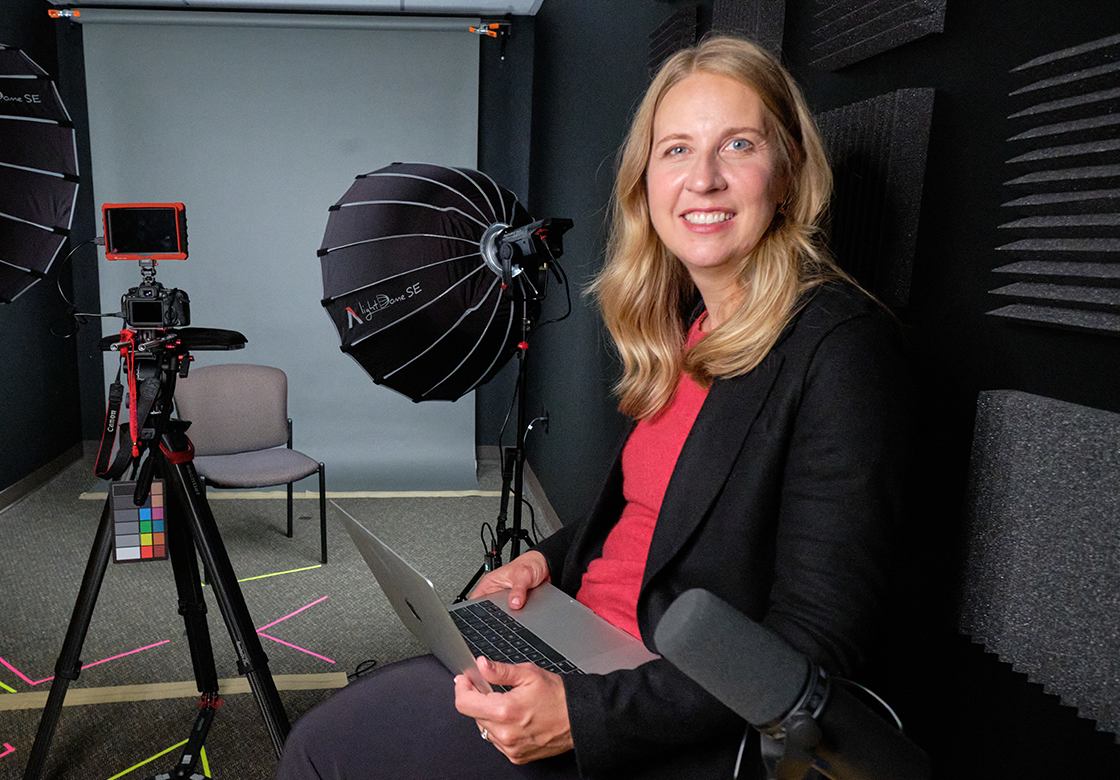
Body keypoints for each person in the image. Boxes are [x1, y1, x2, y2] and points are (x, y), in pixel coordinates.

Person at [276, 35, 908, 780]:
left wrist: (584, 716)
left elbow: (812, 644)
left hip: (651, 706)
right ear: (645, 181)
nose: (702, 179)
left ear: (788, 171)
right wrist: (545, 559)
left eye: (737, 144)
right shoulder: (684, 327)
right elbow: (648, 517)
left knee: (323, 753)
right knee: (353, 725)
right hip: (574, 636)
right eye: (676, 150)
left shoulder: (841, 347)